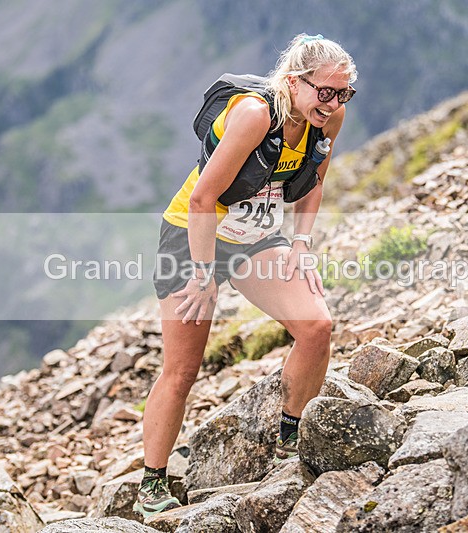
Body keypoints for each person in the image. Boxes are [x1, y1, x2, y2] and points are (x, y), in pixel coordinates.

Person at [133, 33, 357, 517]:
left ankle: (289, 441)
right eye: (325, 91)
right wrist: (203, 275)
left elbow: (314, 181)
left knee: (317, 327)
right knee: (182, 368)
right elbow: (202, 199)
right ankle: (151, 484)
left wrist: (301, 244)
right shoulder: (256, 115)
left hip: (255, 236)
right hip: (193, 234)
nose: (334, 103)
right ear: (294, 82)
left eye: (344, 93)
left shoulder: (328, 118)